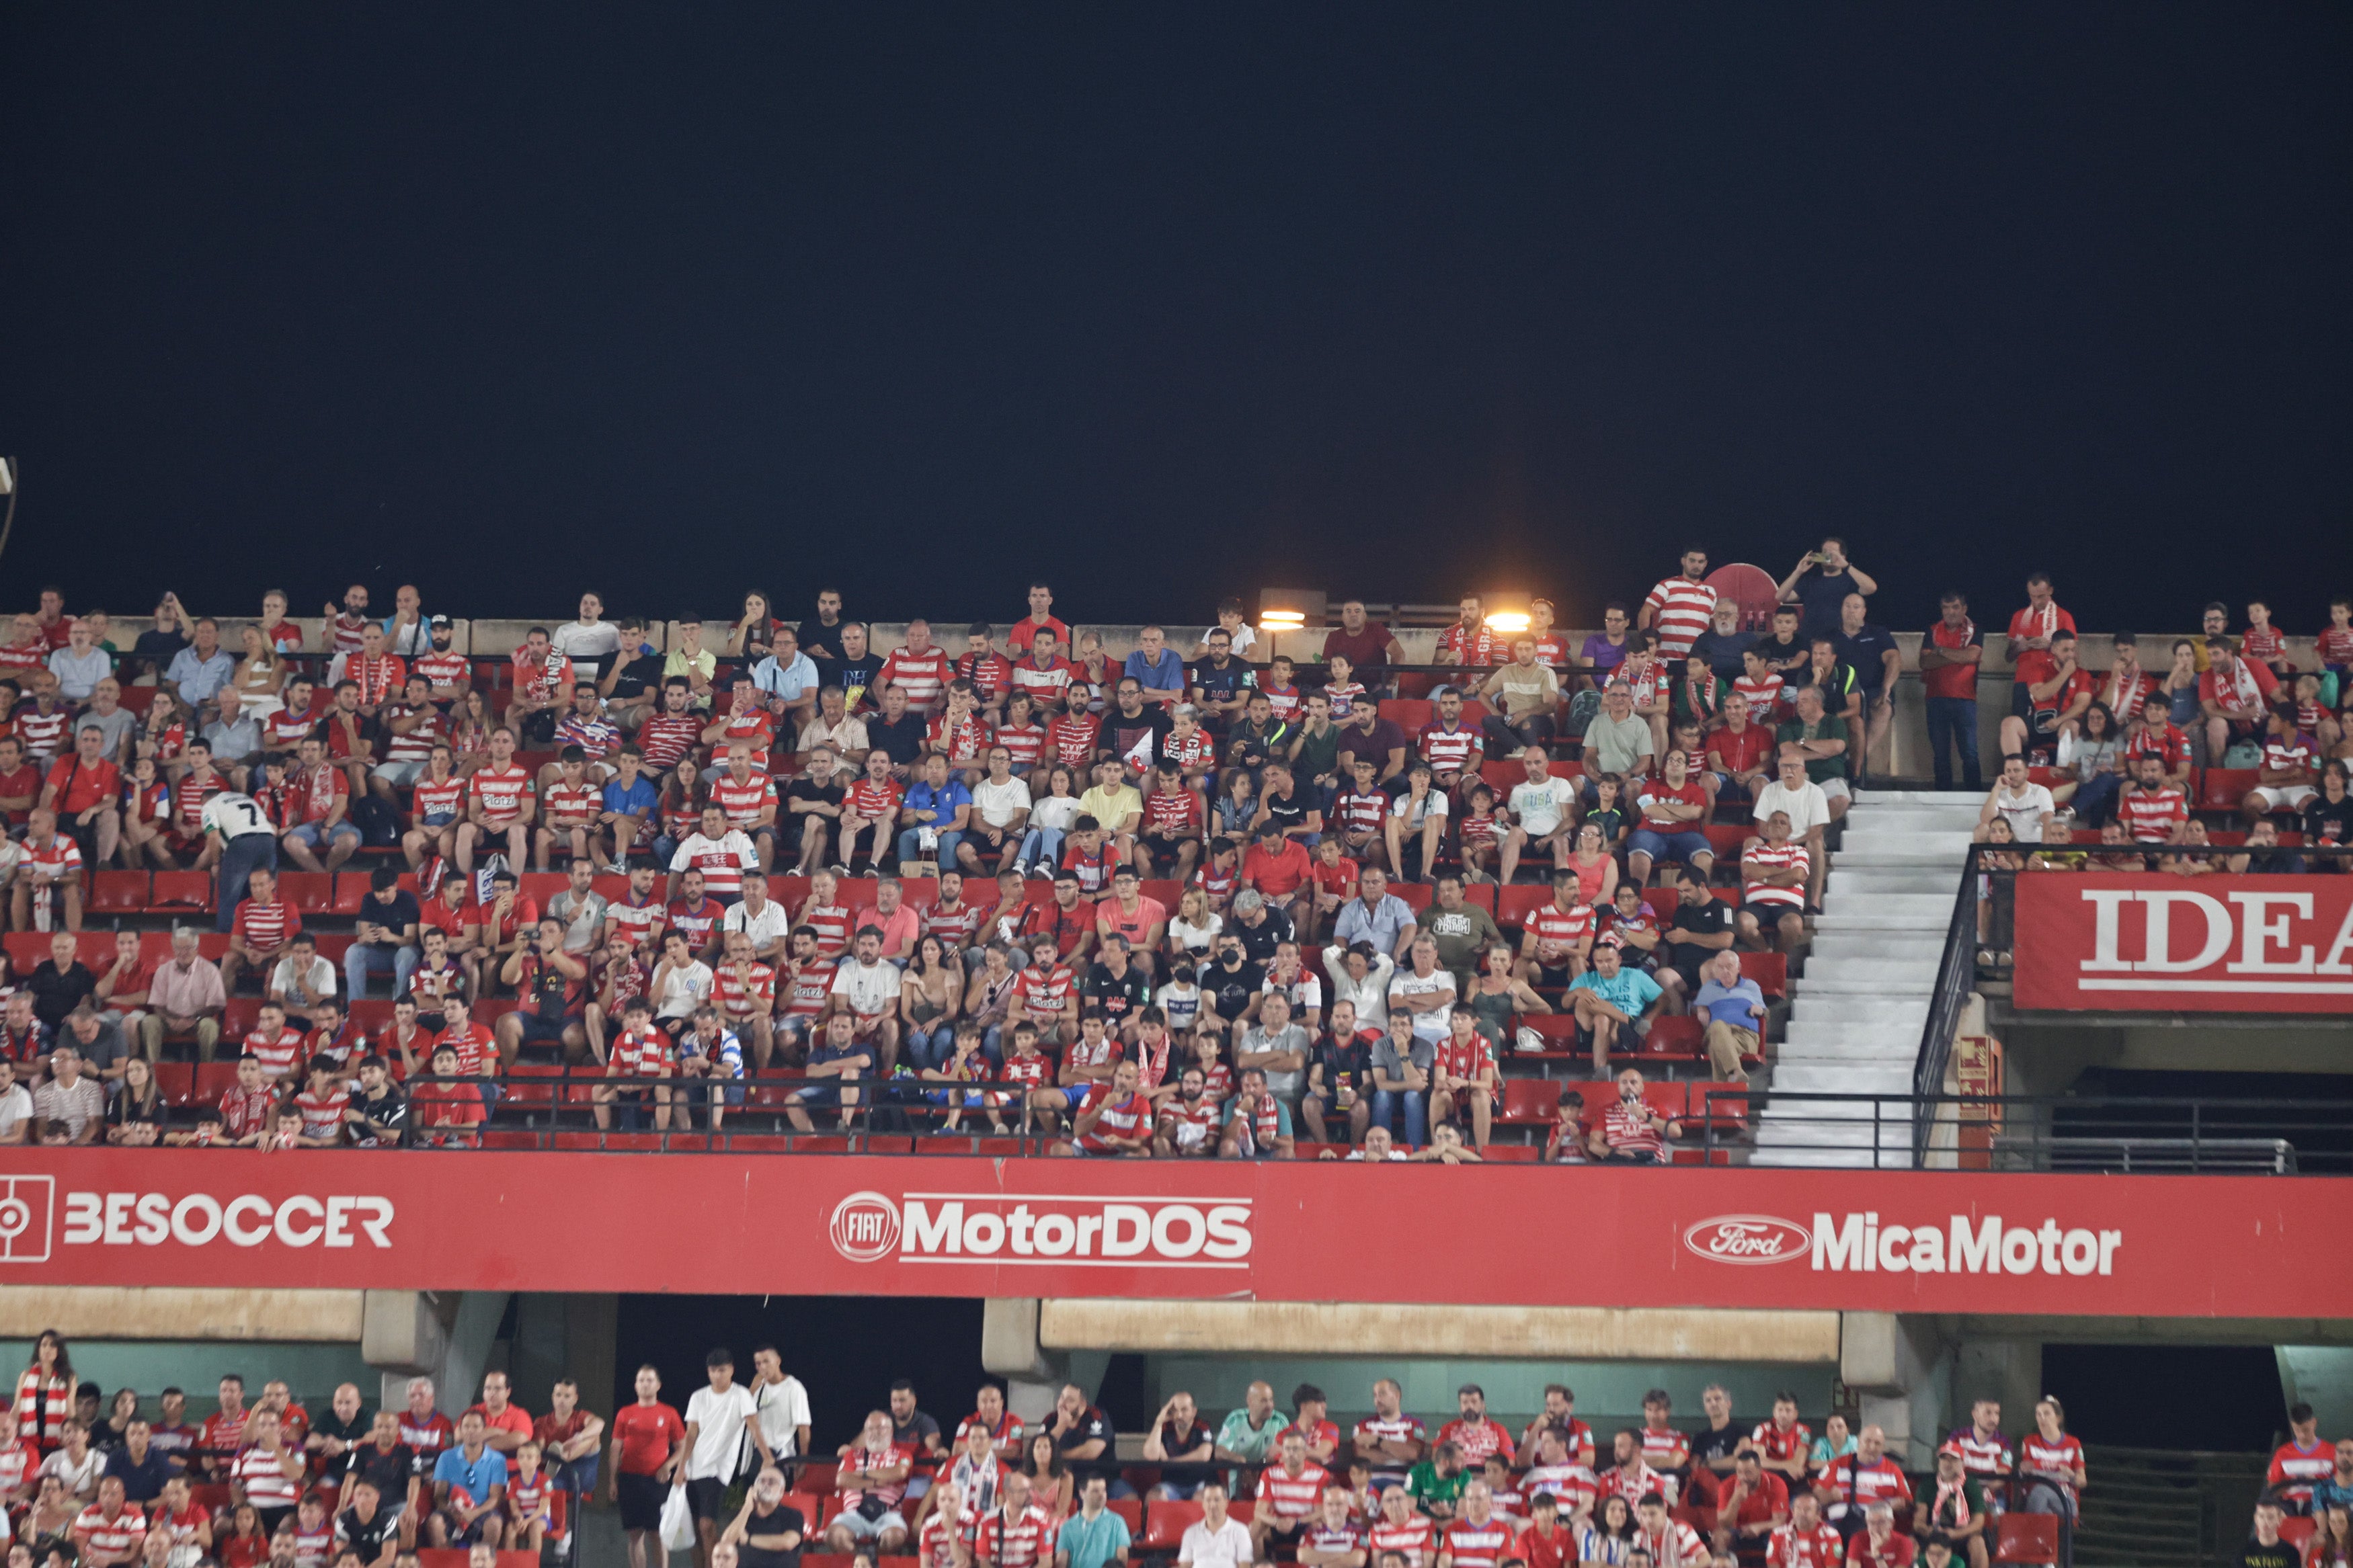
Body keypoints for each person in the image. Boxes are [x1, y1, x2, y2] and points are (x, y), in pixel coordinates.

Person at [607, 1364, 686, 1568]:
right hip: (629, 1479)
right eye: (641, 1380)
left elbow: (683, 1448)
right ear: (635, 1385)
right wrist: (612, 1481)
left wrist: (668, 1466)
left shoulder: (669, 1413)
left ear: (658, 1385)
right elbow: (616, 1447)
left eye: (649, 1380)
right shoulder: (625, 1413)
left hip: (656, 1481)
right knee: (635, 1535)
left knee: (658, 1534)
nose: (645, 1384)